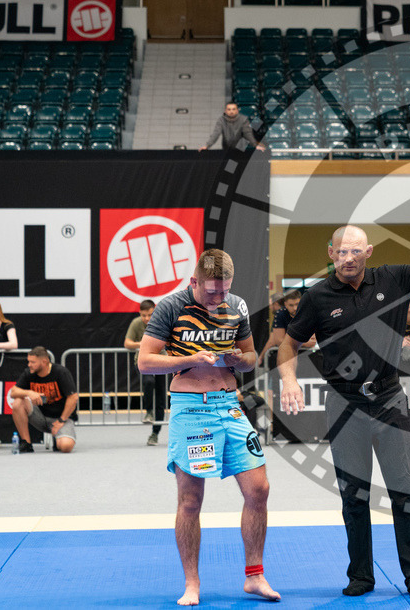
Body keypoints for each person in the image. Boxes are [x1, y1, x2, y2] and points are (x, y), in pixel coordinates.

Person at [276, 202, 410, 600]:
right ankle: (361, 575)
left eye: (356, 251)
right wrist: (289, 381)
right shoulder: (316, 296)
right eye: (342, 251)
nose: (348, 258)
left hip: (389, 400)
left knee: (405, 491)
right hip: (343, 405)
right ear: (331, 253)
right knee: (353, 497)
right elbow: (288, 345)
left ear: (369, 252)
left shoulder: (393, 278)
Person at [138, 249, 278, 605]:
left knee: (259, 490)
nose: (218, 298)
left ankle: (254, 576)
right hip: (191, 410)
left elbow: (250, 359)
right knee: (190, 500)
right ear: (194, 282)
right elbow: (145, 361)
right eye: (211, 292)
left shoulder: (237, 306)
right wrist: (190, 359)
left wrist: (237, 359)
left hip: (229, 406)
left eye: (224, 291)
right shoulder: (171, 307)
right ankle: (192, 584)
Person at [8, 346, 79, 454]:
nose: (29, 365)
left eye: (33, 362)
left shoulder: (61, 372)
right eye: (28, 361)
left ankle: (57, 439)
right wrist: (29, 393)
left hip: (61, 418)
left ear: (44, 361)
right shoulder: (29, 373)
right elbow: (13, 392)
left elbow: (73, 397)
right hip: (40, 416)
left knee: (66, 447)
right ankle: (26, 443)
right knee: (18, 402)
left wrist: (61, 420)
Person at [124, 299, 164, 446]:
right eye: (143, 315)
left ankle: (155, 434)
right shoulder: (136, 323)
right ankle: (148, 411)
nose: (147, 318)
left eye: (150, 315)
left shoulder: (162, 321)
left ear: (155, 311)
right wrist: (142, 344)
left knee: (160, 398)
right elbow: (127, 343)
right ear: (140, 314)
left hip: (161, 361)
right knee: (148, 381)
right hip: (142, 361)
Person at [256, 289, 315, 368]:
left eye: (297, 304)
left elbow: (312, 342)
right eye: (291, 305)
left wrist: (289, 342)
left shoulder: (307, 313)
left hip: (304, 356)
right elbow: (279, 341)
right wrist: (303, 343)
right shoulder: (280, 314)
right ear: (285, 304)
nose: (295, 308)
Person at [198, 102, 266, 152]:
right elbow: (216, 133)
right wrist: (207, 146)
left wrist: (255, 145)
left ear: (237, 110)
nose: (231, 111)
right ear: (225, 111)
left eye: (233, 109)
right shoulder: (221, 120)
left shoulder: (244, 119)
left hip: (241, 149)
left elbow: (247, 134)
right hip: (226, 148)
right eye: (229, 109)